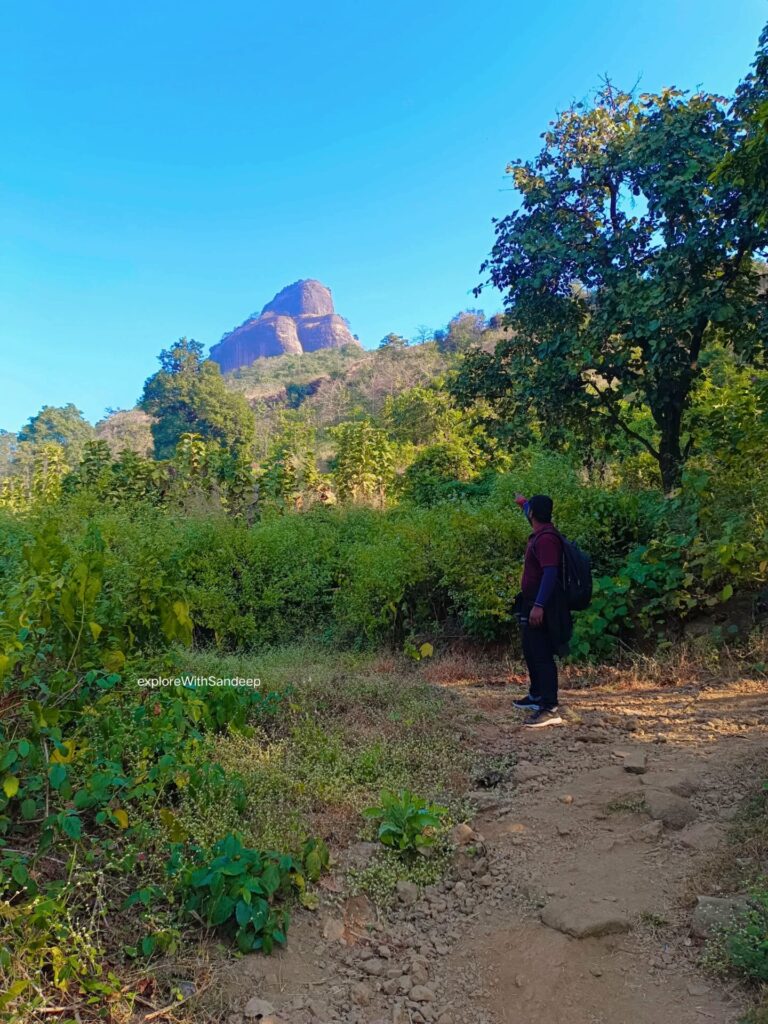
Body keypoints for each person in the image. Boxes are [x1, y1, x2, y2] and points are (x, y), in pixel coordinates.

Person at [512, 494, 571, 728]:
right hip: (532, 602)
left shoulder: (546, 539)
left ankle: (550, 707)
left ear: (534, 515)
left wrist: (539, 605)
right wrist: (523, 503)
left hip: (542, 604)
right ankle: (536, 696)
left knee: (543, 654)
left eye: (529, 510)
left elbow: (550, 573)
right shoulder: (541, 530)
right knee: (531, 648)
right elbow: (530, 513)